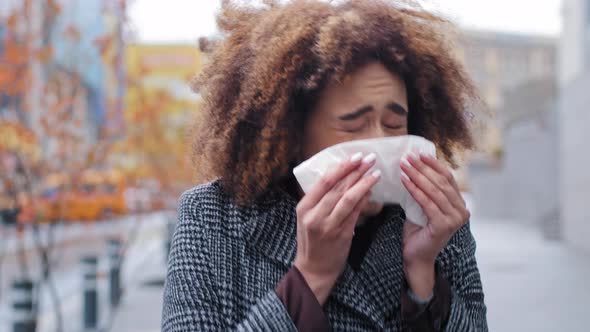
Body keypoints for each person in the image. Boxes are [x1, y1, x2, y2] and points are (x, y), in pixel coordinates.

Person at [162, 1, 487, 331]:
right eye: (353, 125)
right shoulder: (210, 218)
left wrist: (422, 277)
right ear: (292, 135)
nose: (378, 143)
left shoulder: (437, 222)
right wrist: (310, 277)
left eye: (392, 124)